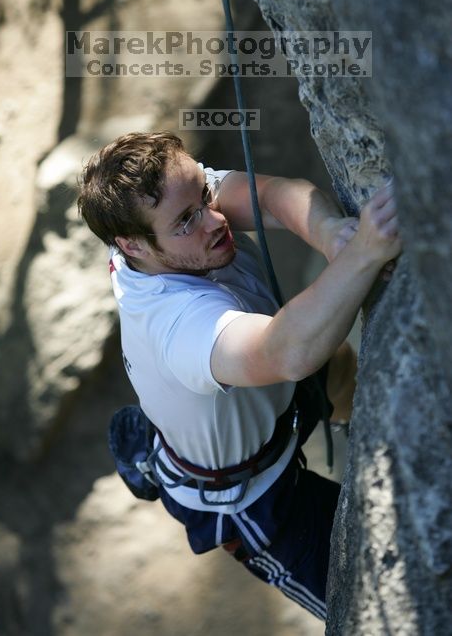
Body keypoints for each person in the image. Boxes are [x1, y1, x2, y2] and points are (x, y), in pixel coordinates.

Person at [77, 131, 401, 620]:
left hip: (279, 398)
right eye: (186, 221)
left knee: (334, 364)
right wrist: (364, 252)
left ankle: (384, 443)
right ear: (132, 246)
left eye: (204, 197)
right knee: (369, 607)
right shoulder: (176, 324)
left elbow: (270, 196)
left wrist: (332, 233)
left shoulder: (168, 205)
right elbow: (287, 352)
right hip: (255, 496)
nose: (214, 220)